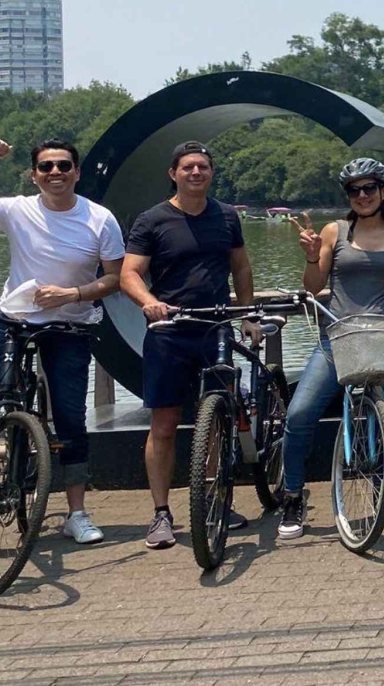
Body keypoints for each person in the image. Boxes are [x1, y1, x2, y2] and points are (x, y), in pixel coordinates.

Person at [0, 136, 124, 544]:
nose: (54, 173)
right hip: (14, 321)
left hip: (69, 326)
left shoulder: (100, 218)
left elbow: (115, 278)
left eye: (63, 166)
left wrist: (72, 294)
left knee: (70, 417)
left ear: (76, 172)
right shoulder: (17, 209)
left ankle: (77, 511)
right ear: (34, 174)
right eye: (46, 167)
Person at [120, 141, 260, 549]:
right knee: (163, 424)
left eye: (203, 167)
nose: (196, 173)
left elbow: (242, 267)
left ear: (211, 173)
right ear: (173, 173)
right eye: (188, 167)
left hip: (215, 328)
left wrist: (247, 314)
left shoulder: (227, 217)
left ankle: (213, 499)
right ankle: (161, 513)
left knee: (216, 421)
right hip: (170, 330)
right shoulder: (153, 220)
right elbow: (130, 272)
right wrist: (149, 302)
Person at [277, 158, 384, 539]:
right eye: (354, 190)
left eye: (369, 188)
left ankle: (381, 492)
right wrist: (310, 256)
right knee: (300, 412)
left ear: (383, 191)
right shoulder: (334, 231)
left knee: (382, 417)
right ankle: (292, 494)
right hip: (338, 338)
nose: (362, 195)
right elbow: (312, 286)